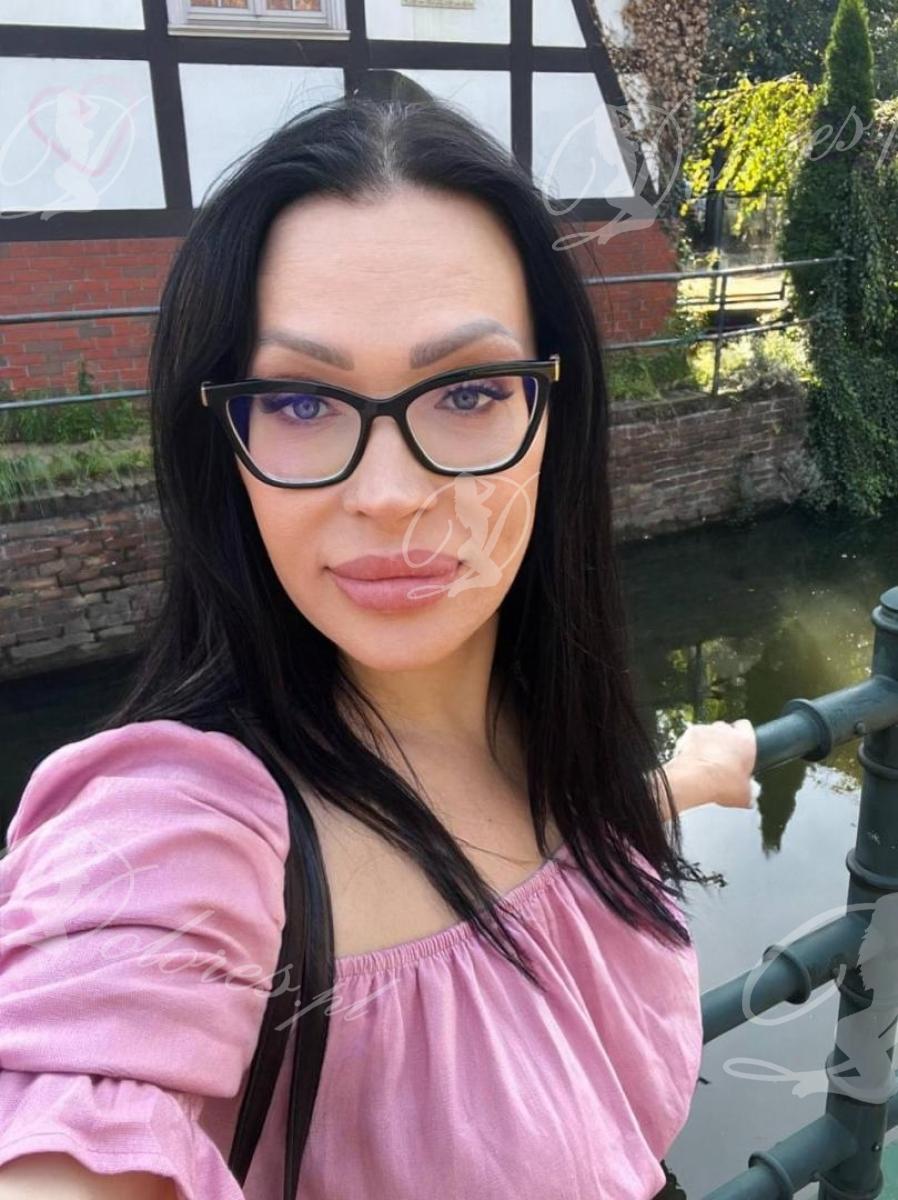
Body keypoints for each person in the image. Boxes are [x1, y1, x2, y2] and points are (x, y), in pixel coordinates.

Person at [0, 93, 756, 1200]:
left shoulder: (543, 740)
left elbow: (521, 867)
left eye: (469, 391)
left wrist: (686, 777)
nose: (391, 494)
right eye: (302, 404)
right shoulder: (180, 829)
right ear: (225, 448)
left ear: (553, 417)